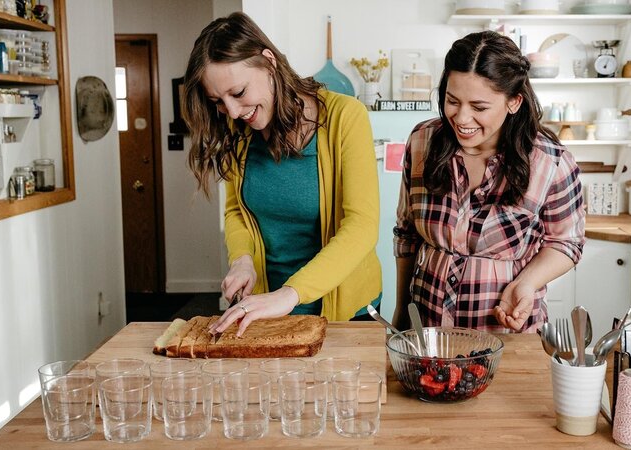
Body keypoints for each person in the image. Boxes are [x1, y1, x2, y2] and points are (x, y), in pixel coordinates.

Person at [181, 12, 382, 336]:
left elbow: (361, 227)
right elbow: (236, 211)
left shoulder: (347, 117)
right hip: (264, 310)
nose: (232, 112)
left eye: (239, 92)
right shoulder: (240, 133)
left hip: (343, 311)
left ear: (269, 62)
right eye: (218, 101)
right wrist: (242, 260)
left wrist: (290, 294)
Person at [392, 31, 585, 333]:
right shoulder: (422, 141)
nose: (462, 118)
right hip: (426, 332)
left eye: (479, 107)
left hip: (505, 336)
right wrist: (401, 311)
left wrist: (527, 282)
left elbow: (566, 242)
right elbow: (407, 234)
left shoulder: (551, 162)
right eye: (452, 101)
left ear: (513, 102)